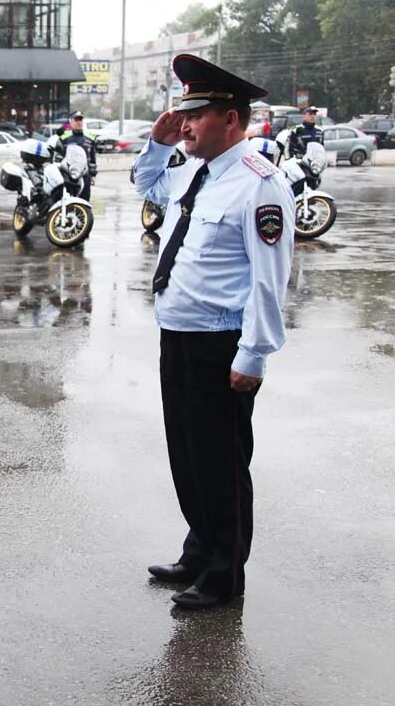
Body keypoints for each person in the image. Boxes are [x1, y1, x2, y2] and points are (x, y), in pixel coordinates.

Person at [133, 54, 294, 610]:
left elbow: (271, 281)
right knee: (187, 452)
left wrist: (253, 355)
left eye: (196, 116)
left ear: (231, 119)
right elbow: (147, 186)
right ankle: (200, 550)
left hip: (219, 343)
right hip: (177, 332)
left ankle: (225, 575)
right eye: (183, 115)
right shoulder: (192, 170)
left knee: (221, 461)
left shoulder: (260, 185)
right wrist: (156, 142)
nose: (186, 124)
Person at [59, 111, 98, 201]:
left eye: (80, 119)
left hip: (85, 174)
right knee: (68, 201)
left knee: (85, 201)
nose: (79, 122)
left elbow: (92, 159)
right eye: (76, 119)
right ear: (71, 122)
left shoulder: (90, 138)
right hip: (69, 175)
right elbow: (59, 157)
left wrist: (93, 176)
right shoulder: (64, 138)